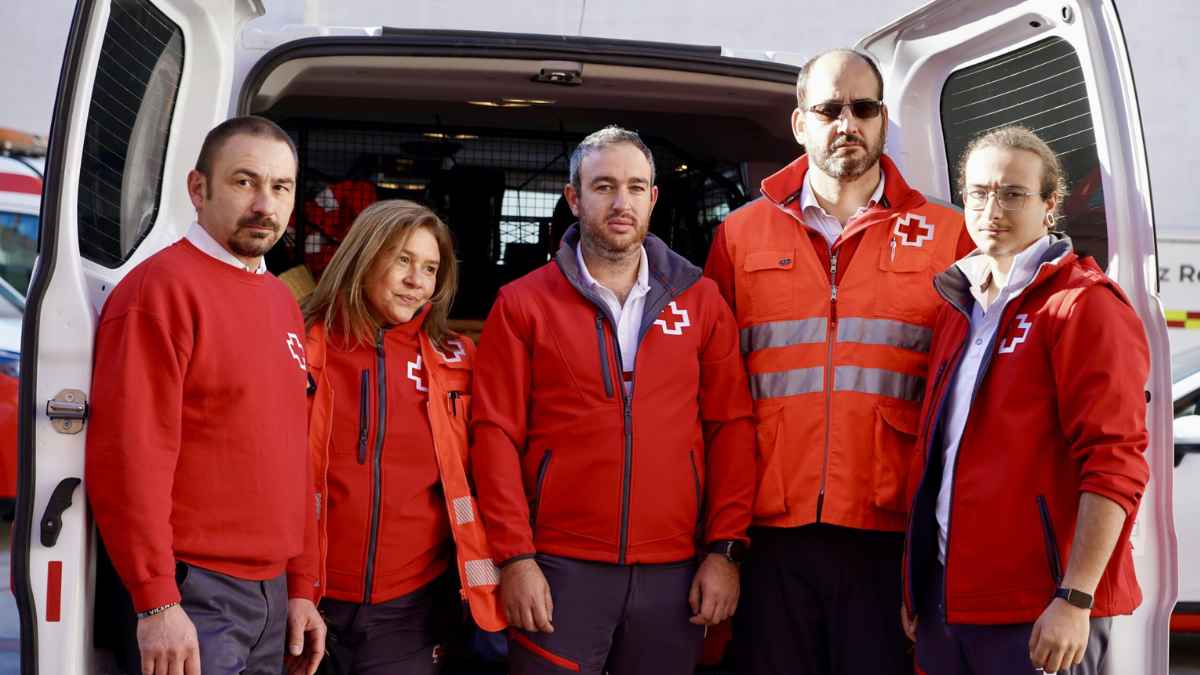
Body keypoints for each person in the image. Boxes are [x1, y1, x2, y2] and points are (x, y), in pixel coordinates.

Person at [704, 48, 972, 675]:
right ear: (801, 123)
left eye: (863, 107)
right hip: (768, 534)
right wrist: (721, 541)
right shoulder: (740, 236)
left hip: (889, 534)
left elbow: (966, 395)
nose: (846, 123)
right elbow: (713, 399)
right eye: (829, 108)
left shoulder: (947, 234)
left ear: (883, 121)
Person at [469, 125, 756, 675]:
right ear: (574, 198)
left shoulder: (701, 301)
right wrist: (516, 558)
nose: (620, 202)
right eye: (603, 186)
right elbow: (494, 434)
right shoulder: (522, 304)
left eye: (634, 186)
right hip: (557, 569)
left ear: (653, 197)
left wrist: (724, 552)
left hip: (674, 571)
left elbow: (731, 428)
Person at [901, 125, 1150, 675]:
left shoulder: (1083, 306)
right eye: (979, 193)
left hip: (1041, 612)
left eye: (1013, 193)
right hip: (950, 604)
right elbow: (937, 456)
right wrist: (919, 582)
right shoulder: (957, 306)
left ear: (1049, 205)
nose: (994, 208)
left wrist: (1076, 598)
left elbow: (1115, 464)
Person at [85, 116, 325, 675]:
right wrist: (157, 601)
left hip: (271, 595)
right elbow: (130, 459)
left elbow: (295, 455)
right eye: (245, 182)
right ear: (199, 189)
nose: (265, 204)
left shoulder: (280, 300)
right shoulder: (158, 292)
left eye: (281, 187)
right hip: (195, 594)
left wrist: (300, 584)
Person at [299, 199, 505, 674]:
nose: (417, 281)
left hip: (410, 608)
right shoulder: (300, 343)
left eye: (431, 268)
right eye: (403, 261)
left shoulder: (455, 359)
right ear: (364, 257)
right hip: (306, 597)